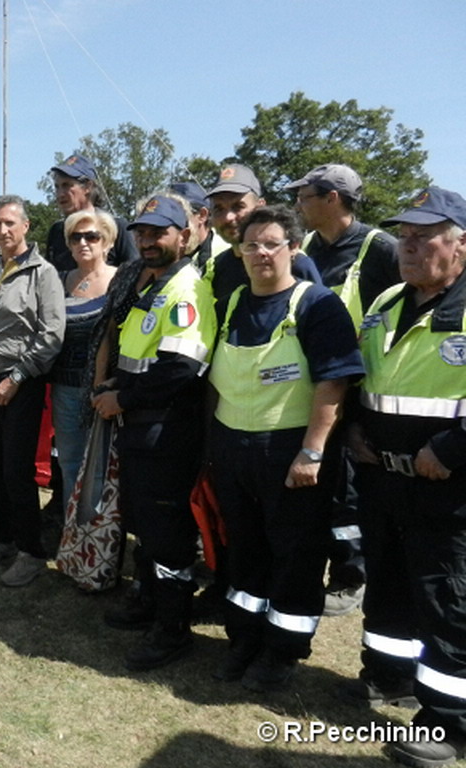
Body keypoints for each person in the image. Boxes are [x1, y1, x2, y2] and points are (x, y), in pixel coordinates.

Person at [207, 206, 363, 692]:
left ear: (294, 248)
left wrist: (312, 452)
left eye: (271, 243)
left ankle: (282, 651)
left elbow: (333, 383)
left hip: (289, 451)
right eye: (251, 245)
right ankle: (244, 638)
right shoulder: (230, 303)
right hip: (233, 447)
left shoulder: (317, 305)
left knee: (294, 555)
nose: (260, 254)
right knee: (244, 549)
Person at [340, 188, 466, 767]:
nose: (408, 246)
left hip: (448, 486)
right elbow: (366, 376)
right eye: (405, 236)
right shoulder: (389, 299)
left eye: (424, 237)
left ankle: (450, 723)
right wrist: (354, 427)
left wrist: (451, 448)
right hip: (383, 480)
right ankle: (388, 675)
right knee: (388, 585)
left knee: (446, 599)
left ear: (460, 245)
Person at [91, 195, 216, 671]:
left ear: (184, 237)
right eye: (141, 233)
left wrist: (123, 397)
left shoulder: (186, 289)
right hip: (141, 430)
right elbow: (142, 355)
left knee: (168, 537)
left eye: (158, 233)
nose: (147, 241)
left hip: (166, 434)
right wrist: (115, 385)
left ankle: (172, 629)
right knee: (146, 527)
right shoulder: (156, 283)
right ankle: (148, 603)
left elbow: (180, 368)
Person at [285, 163, 402, 617]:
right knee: (322, 483)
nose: (299, 204)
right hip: (313, 384)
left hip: (362, 387)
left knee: (349, 489)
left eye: (305, 196)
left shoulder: (380, 249)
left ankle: (351, 575)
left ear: (332, 198)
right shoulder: (308, 249)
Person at [0, 195, 65, 586]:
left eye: (10, 222)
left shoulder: (43, 273)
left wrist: (17, 377)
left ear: (26, 226)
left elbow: (52, 334)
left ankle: (30, 551)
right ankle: (2, 537)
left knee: (16, 470)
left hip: (20, 382)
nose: (3, 230)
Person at [49, 209, 117, 508]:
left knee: (101, 465)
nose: (83, 243)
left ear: (108, 241)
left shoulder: (123, 279)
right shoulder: (59, 280)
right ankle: (72, 529)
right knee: (69, 462)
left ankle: (98, 529)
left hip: (105, 390)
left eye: (92, 236)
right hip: (65, 389)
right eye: (75, 237)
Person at [205, 164, 321, 303]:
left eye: (238, 207)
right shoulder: (217, 268)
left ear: (260, 206)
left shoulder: (294, 263)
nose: (228, 217)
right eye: (219, 209)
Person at [46, 154, 138, 272]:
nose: (60, 194)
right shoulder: (57, 231)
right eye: (57, 187)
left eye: (66, 186)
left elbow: (135, 273)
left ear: (87, 186)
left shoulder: (117, 227)